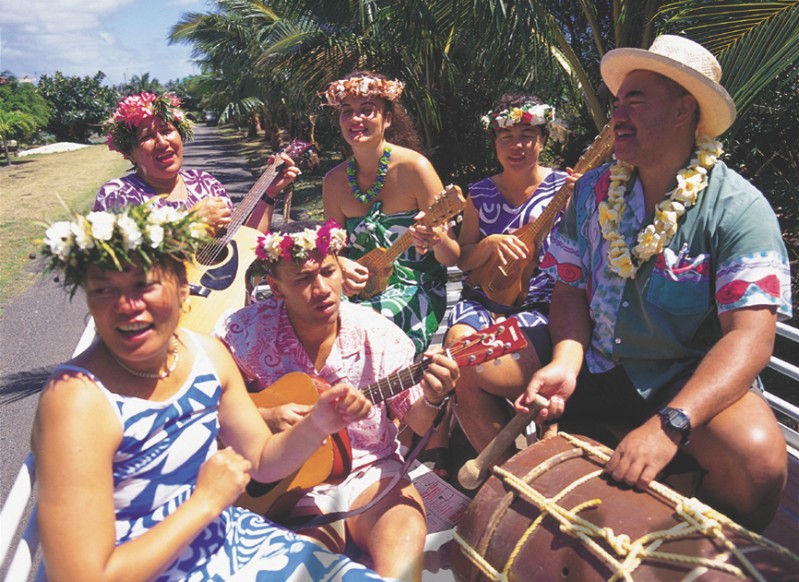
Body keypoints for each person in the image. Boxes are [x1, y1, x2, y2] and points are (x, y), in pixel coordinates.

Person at [515, 35, 792, 532]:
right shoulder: (592, 193)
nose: (618, 114)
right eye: (618, 102)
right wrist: (566, 361)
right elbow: (570, 289)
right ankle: (530, 518)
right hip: (595, 363)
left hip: (682, 383)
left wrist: (672, 424)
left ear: (685, 109)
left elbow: (750, 337)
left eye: (635, 100)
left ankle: (691, 555)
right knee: (478, 367)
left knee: (759, 462)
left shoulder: (739, 208)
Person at [33, 203, 382, 581]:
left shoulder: (206, 356)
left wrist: (317, 424)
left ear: (183, 288)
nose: (126, 307)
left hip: (221, 539)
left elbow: (263, 460)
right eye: (104, 290)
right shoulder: (78, 400)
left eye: (143, 285)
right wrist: (206, 501)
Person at [218, 219, 460, 581]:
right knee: (298, 572)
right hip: (291, 484)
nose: (322, 290)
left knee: (403, 570)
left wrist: (435, 397)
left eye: (328, 272)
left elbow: (418, 421)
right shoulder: (243, 332)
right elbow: (202, 399)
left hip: (374, 472)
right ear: (276, 288)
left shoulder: (377, 333)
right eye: (302, 280)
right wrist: (265, 415)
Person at [446, 95, 572, 464]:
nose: (517, 145)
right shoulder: (480, 193)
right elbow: (465, 261)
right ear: (495, 143)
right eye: (506, 137)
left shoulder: (567, 188)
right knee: (457, 353)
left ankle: (515, 465)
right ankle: (509, 470)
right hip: (483, 300)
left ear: (543, 139)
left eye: (527, 135)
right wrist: (489, 244)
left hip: (541, 307)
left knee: (470, 362)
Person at [321, 71, 459, 356]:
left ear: (387, 119)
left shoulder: (415, 168)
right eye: (347, 111)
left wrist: (436, 239)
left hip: (415, 290)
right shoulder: (333, 182)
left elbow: (452, 255)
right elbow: (329, 250)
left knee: (364, 329)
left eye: (367, 110)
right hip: (358, 290)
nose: (356, 119)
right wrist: (342, 266)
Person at [95, 91, 299, 234]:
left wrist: (268, 194)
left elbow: (242, 245)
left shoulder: (204, 182)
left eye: (167, 131)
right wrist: (191, 223)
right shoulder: (118, 195)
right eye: (147, 137)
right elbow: (121, 267)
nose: (162, 142)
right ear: (128, 153)